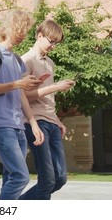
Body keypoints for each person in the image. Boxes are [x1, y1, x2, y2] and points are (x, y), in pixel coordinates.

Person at [0, 9, 44, 200]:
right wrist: (17, 84)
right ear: (7, 28)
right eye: (20, 30)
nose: (23, 35)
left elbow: (21, 94)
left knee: (10, 176)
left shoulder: (17, 60)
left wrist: (33, 122)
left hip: (17, 124)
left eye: (25, 31)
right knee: (20, 176)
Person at [19, 19, 76, 200]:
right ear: (40, 36)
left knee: (60, 178)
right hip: (35, 122)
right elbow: (20, 96)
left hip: (51, 122)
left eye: (56, 43)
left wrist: (58, 120)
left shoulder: (50, 63)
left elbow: (47, 99)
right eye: (51, 41)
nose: (53, 46)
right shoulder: (26, 60)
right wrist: (56, 87)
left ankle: (19, 204)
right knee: (47, 180)